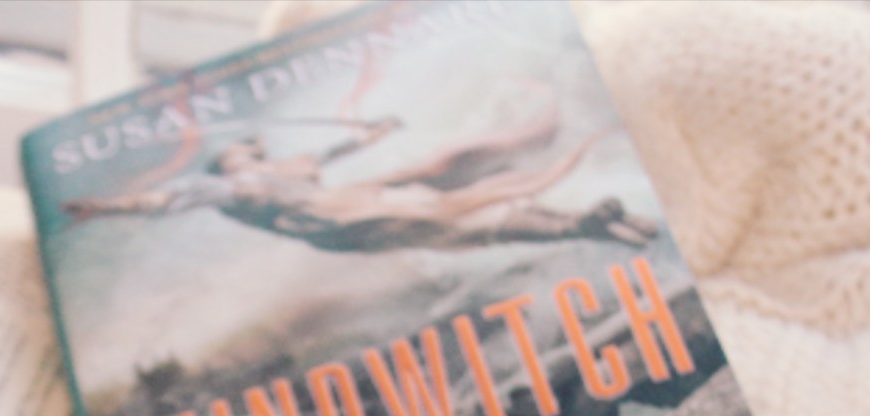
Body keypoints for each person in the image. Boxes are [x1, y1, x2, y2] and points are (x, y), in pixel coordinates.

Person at [64, 105, 656, 252]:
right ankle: (578, 224)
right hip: (333, 219)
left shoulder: (289, 167)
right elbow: (162, 199)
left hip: (349, 203)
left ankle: (584, 223)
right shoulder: (222, 187)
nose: (259, 151)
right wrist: (107, 207)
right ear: (232, 159)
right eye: (250, 149)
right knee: (445, 216)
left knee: (441, 198)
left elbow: (334, 149)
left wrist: (374, 133)